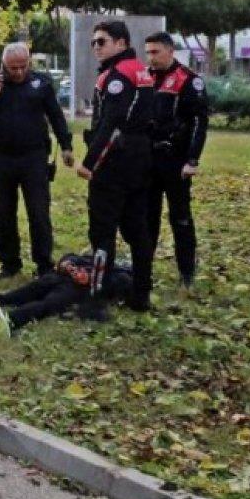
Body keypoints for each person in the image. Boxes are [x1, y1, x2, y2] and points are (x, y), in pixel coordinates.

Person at [77, 20, 155, 311]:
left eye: (102, 41)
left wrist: (90, 162)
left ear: (121, 43)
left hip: (115, 162)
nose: (96, 47)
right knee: (137, 230)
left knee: (102, 231)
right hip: (139, 159)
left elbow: (111, 124)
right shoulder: (141, 71)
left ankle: (97, 296)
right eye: (93, 42)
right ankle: (141, 293)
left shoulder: (117, 76)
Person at [0, 43, 74, 278]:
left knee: (39, 212)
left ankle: (43, 263)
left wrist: (66, 145)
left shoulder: (41, 83)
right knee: (4, 212)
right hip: (1, 156)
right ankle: (9, 262)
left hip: (34, 156)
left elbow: (56, 115)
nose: (19, 72)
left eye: (23, 66)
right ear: (3, 64)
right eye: (13, 68)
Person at [143, 32, 209, 287]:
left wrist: (192, 159)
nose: (151, 57)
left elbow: (199, 123)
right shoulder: (145, 78)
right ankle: (143, 270)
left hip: (176, 161)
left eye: (156, 52)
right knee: (148, 217)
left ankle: (186, 272)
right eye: (148, 52)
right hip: (150, 160)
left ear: (171, 51)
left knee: (180, 218)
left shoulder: (189, 81)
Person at [0, 253, 134, 332]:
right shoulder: (97, 257)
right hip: (58, 277)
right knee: (13, 296)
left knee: (46, 306)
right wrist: (69, 266)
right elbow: (70, 257)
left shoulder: (120, 276)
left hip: (75, 290)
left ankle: (11, 320)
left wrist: (88, 279)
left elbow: (113, 293)